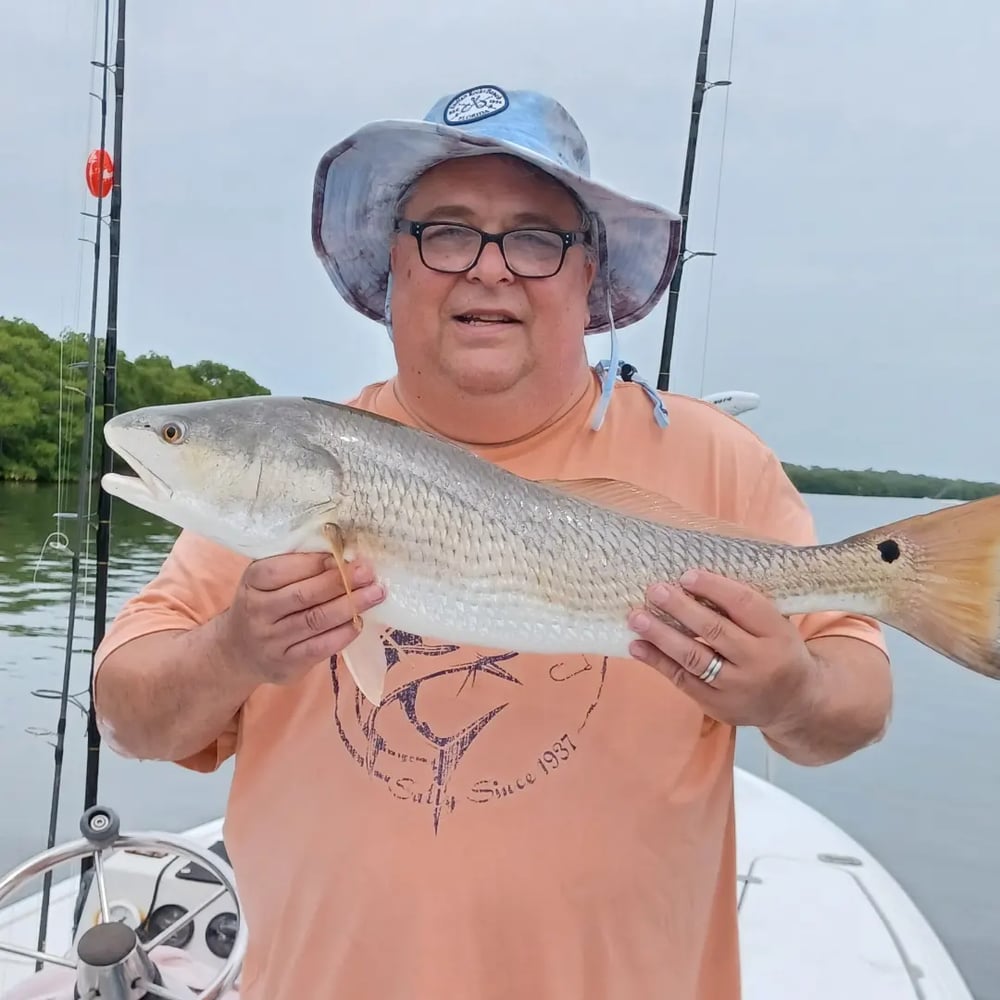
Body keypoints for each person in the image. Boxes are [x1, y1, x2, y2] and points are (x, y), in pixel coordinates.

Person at [93, 84, 892, 1000]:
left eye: (534, 237)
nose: (489, 269)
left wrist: (789, 692)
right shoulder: (289, 471)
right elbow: (127, 714)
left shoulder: (716, 460)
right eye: (446, 231)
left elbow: (856, 704)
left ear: (590, 275)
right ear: (392, 264)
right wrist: (234, 648)